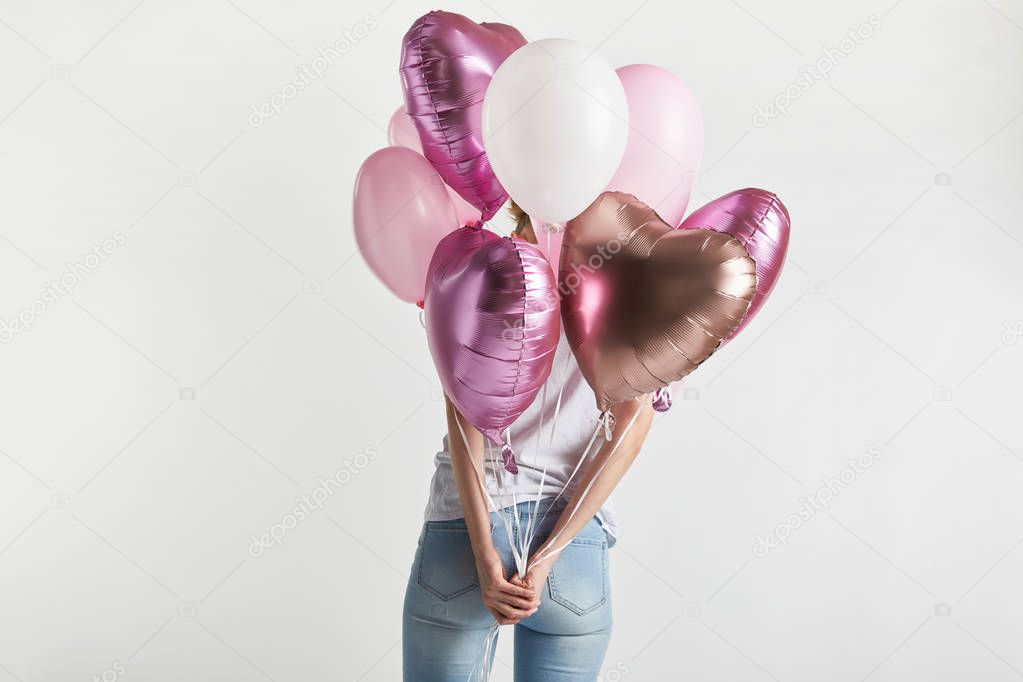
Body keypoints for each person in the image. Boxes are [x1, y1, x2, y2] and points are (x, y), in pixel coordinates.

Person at [402, 202, 655, 681]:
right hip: (573, 543)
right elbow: (631, 432)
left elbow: (465, 417)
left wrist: (484, 555)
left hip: (466, 532)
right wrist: (547, 558)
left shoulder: (486, 273)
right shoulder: (630, 293)